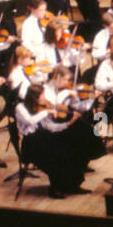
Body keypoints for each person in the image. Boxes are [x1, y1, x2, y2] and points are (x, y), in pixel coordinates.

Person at [14, 66, 102, 197]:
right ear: (34, 97)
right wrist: (46, 112)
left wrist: (68, 123)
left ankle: (73, 185)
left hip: (44, 136)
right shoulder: (20, 107)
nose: (45, 98)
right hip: (31, 142)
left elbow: (50, 127)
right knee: (58, 155)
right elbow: (30, 121)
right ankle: (56, 187)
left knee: (73, 150)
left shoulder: (42, 107)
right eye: (42, 95)